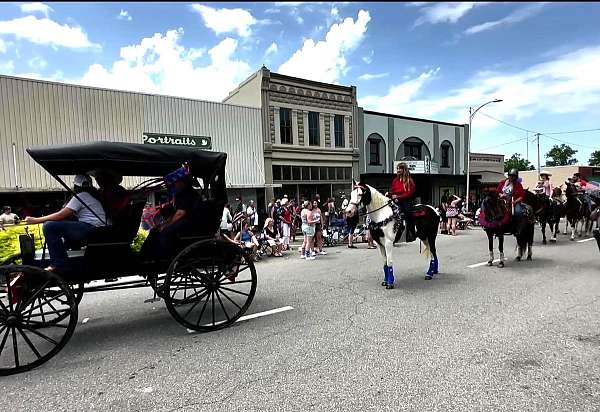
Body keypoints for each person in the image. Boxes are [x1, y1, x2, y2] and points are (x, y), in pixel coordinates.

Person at [25, 174, 107, 271]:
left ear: (76, 186)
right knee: (64, 224)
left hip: (91, 228)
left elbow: (61, 215)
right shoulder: (93, 195)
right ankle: (67, 248)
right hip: (98, 228)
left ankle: (58, 263)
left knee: (49, 226)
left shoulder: (81, 196)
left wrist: (35, 220)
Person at [389, 162, 417, 242]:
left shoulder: (409, 181)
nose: (398, 170)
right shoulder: (395, 180)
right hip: (396, 200)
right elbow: (393, 191)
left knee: (408, 212)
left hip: (406, 200)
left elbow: (409, 193)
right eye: (397, 168)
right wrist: (390, 194)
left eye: (399, 168)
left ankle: (412, 232)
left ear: (403, 170)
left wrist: (398, 197)